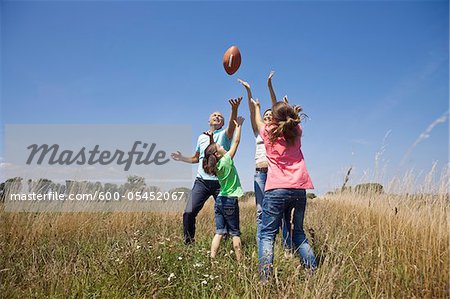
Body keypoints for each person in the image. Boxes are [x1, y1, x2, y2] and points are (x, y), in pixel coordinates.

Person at [251, 97, 317, 281]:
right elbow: (290, 119)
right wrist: (288, 108)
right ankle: (313, 272)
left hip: (276, 190)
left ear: (273, 119)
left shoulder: (268, 131)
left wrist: (256, 107)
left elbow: (258, 121)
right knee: (298, 233)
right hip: (299, 190)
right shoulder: (297, 130)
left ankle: (265, 279)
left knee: (267, 235)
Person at [171, 98, 242, 244]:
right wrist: (181, 158)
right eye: (214, 115)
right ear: (209, 121)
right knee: (188, 213)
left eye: (220, 117)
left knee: (229, 214)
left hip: (221, 183)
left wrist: (234, 110)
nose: (217, 117)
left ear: (222, 123)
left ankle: (230, 243)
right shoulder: (201, 137)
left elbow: (232, 125)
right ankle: (189, 243)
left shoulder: (225, 135)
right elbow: (196, 158)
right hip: (202, 182)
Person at [238, 72, 293, 253]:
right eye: (266, 115)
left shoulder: (277, 131)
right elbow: (253, 110)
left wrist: (269, 85)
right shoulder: (259, 131)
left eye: (271, 115)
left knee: (283, 214)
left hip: (276, 174)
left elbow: (276, 106)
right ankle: (263, 248)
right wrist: (248, 91)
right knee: (261, 213)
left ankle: (286, 248)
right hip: (260, 174)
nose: (268, 116)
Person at [202, 116, 245, 261]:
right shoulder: (226, 159)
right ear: (217, 154)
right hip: (230, 201)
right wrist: (238, 126)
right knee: (235, 233)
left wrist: (210, 138)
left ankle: (212, 259)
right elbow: (236, 142)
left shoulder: (215, 167)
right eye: (220, 147)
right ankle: (240, 263)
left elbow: (209, 151)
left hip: (219, 200)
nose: (222, 147)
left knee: (219, 232)